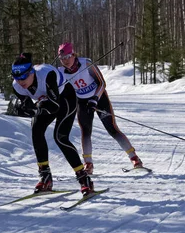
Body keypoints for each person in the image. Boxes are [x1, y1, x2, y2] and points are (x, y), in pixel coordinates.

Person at [11, 53, 94, 195]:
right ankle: (45, 177)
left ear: (31, 72)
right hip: (47, 103)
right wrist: (25, 109)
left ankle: (84, 179)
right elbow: (29, 106)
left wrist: (35, 108)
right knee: (36, 131)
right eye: (16, 77)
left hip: (65, 99)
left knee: (60, 137)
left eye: (24, 76)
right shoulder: (17, 86)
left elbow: (54, 106)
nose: (20, 81)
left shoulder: (46, 74)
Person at [57, 42, 143, 174]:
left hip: (99, 98)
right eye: (62, 58)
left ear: (74, 54)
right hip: (82, 102)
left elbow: (102, 83)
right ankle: (88, 164)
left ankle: (134, 158)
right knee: (85, 132)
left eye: (68, 56)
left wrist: (95, 99)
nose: (65, 61)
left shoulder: (86, 64)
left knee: (112, 129)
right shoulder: (61, 72)